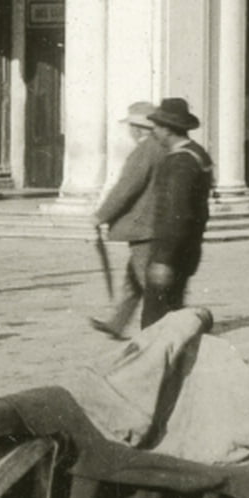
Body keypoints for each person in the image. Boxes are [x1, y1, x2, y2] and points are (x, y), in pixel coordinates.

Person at [90, 101, 163, 338]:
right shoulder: (159, 147)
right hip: (152, 225)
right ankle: (118, 323)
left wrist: (101, 215)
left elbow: (126, 188)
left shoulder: (145, 150)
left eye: (132, 126)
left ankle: (168, 329)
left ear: (139, 128)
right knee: (134, 279)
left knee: (149, 284)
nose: (130, 131)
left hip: (144, 227)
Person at [141, 98, 213, 328]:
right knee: (171, 317)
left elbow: (176, 213)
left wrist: (163, 259)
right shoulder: (198, 154)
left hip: (171, 254)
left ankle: (159, 364)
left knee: (156, 324)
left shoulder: (180, 162)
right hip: (187, 249)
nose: (154, 133)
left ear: (167, 130)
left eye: (157, 128)